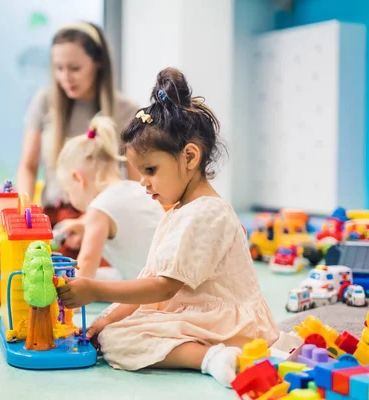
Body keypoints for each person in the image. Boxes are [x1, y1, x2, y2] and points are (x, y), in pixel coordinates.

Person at [56, 68, 279, 386]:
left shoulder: (208, 213)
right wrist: (105, 318)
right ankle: (206, 351)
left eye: (150, 170)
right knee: (114, 333)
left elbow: (163, 287)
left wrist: (95, 290)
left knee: (120, 342)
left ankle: (212, 357)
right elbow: (150, 281)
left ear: (189, 156)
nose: (143, 183)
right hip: (196, 309)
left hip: (228, 323)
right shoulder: (178, 210)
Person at [16, 21, 140, 232]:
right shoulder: (44, 101)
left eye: (75, 68)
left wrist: (92, 224)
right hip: (53, 220)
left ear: (98, 62)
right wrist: (25, 214)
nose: (65, 77)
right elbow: (28, 166)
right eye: (58, 68)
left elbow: (136, 184)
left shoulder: (127, 111)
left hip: (105, 222)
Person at [56, 116, 165, 281]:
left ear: (78, 179)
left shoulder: (99, 208)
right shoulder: (137, 188)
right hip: (169, 282)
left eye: (67, 191)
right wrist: (83, 226)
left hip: (150, 292)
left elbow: (85, 271)